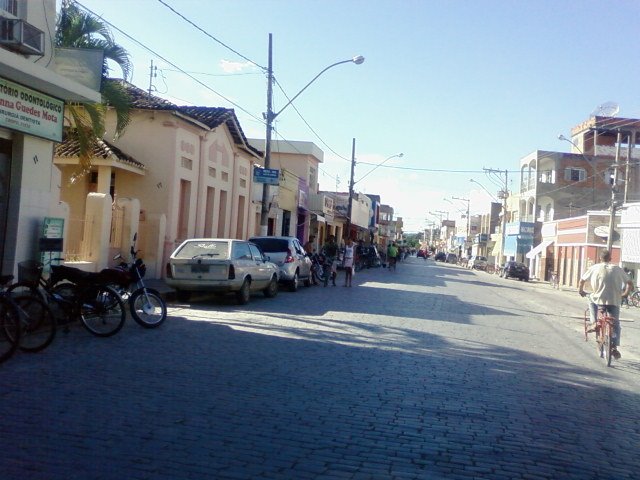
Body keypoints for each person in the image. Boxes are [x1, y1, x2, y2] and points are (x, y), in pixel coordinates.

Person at [578, 250, 633, 360]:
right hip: (615, 300)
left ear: (600, 258)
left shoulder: (594, 268)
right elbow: (630, 283)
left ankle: (594, 323)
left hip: (599, 299)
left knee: (590, 298)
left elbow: (581, 281)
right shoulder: (617, 269)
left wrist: (581, 291)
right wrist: (625, 294)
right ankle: (614, 346)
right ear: (610, 259)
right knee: (615, 322)